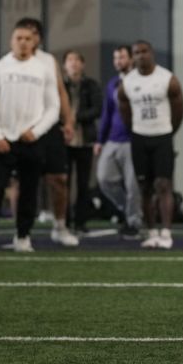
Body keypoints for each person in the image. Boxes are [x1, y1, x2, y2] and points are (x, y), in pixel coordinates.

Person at [0, 20, 61, 253]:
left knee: (29, 190)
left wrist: (35, 131)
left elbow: (53, 108)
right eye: (19, 38)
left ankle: (23, 237)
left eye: (28, 38)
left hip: (31, 141)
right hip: (2, 142)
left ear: (34, 42)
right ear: (11, 41)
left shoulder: (43, 70)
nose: (23, 42)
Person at [14, 18, 80, 247]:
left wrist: (69, 121)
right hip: (22, 127)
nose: (27, 39)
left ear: (39, 38)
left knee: (59, 179)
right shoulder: (10, 62)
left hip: (49, 126)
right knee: (22, 182)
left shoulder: (48, 60)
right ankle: (21, 231)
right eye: (22, 35)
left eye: (32, 34)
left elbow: (60, 92)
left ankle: (60, 227)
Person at [118, 40, 183, 249]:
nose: (141, 56)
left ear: (152, 53)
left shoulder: (167, 79)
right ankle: (151, 232)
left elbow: (179, 108)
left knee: (163, 185)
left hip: (162, 136)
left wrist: (168, 129)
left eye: (144, 51)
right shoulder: (128, 82)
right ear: (133, 57)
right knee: (144, 187)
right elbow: (125, 110)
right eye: (136, 53)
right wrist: (136, 129)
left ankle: (166, 232)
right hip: (139, 137)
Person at [96, 45, 143, 238]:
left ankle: (134, 222)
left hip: (133, 140)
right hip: (112, 140)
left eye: (122, 57)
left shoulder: (140, 81)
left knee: (133, 185)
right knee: (104, 178)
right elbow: (107, 113)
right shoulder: (113, 83)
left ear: (131, 59)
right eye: (116, 58)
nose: (118, 61)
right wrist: (100, 140)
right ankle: (128, 210)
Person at [63, 51, 102, 234]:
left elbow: (97, 109)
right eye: (70, 60)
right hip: (64, 141)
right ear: (64, 65)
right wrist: (64, 122)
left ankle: (80, 222)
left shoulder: (91, 85)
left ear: (83, 64)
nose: (74, 63)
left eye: (78, 60)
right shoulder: (60, 86)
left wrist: (75, 117)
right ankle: (64, 221)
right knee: (64, 182)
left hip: (85, 140)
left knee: (83, 184)